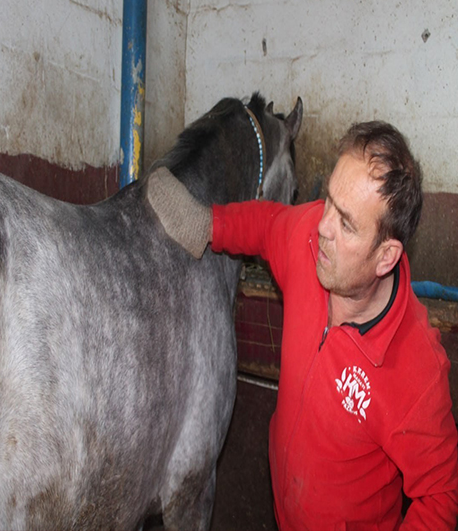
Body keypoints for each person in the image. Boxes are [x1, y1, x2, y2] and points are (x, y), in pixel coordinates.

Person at [146, 121, 458, 530]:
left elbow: (441, 497)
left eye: (346, 224)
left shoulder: (416, 372)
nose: (324, 226)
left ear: (386, 256)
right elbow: (268, 225)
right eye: (329, 199)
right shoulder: (311, 240)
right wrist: (209, 224)